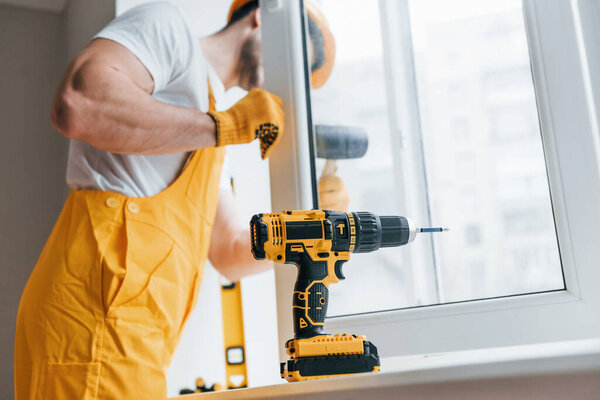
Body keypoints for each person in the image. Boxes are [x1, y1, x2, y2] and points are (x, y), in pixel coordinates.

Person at [14, 0, 343, 398]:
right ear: (260, 18)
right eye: (288, 58)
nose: (283, 80)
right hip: (92, 319)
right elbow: (79, 104)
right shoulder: (168, 29)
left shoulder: (210, 136)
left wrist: (319, 227)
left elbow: (231, 252)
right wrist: (224, 126)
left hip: (135, 337)